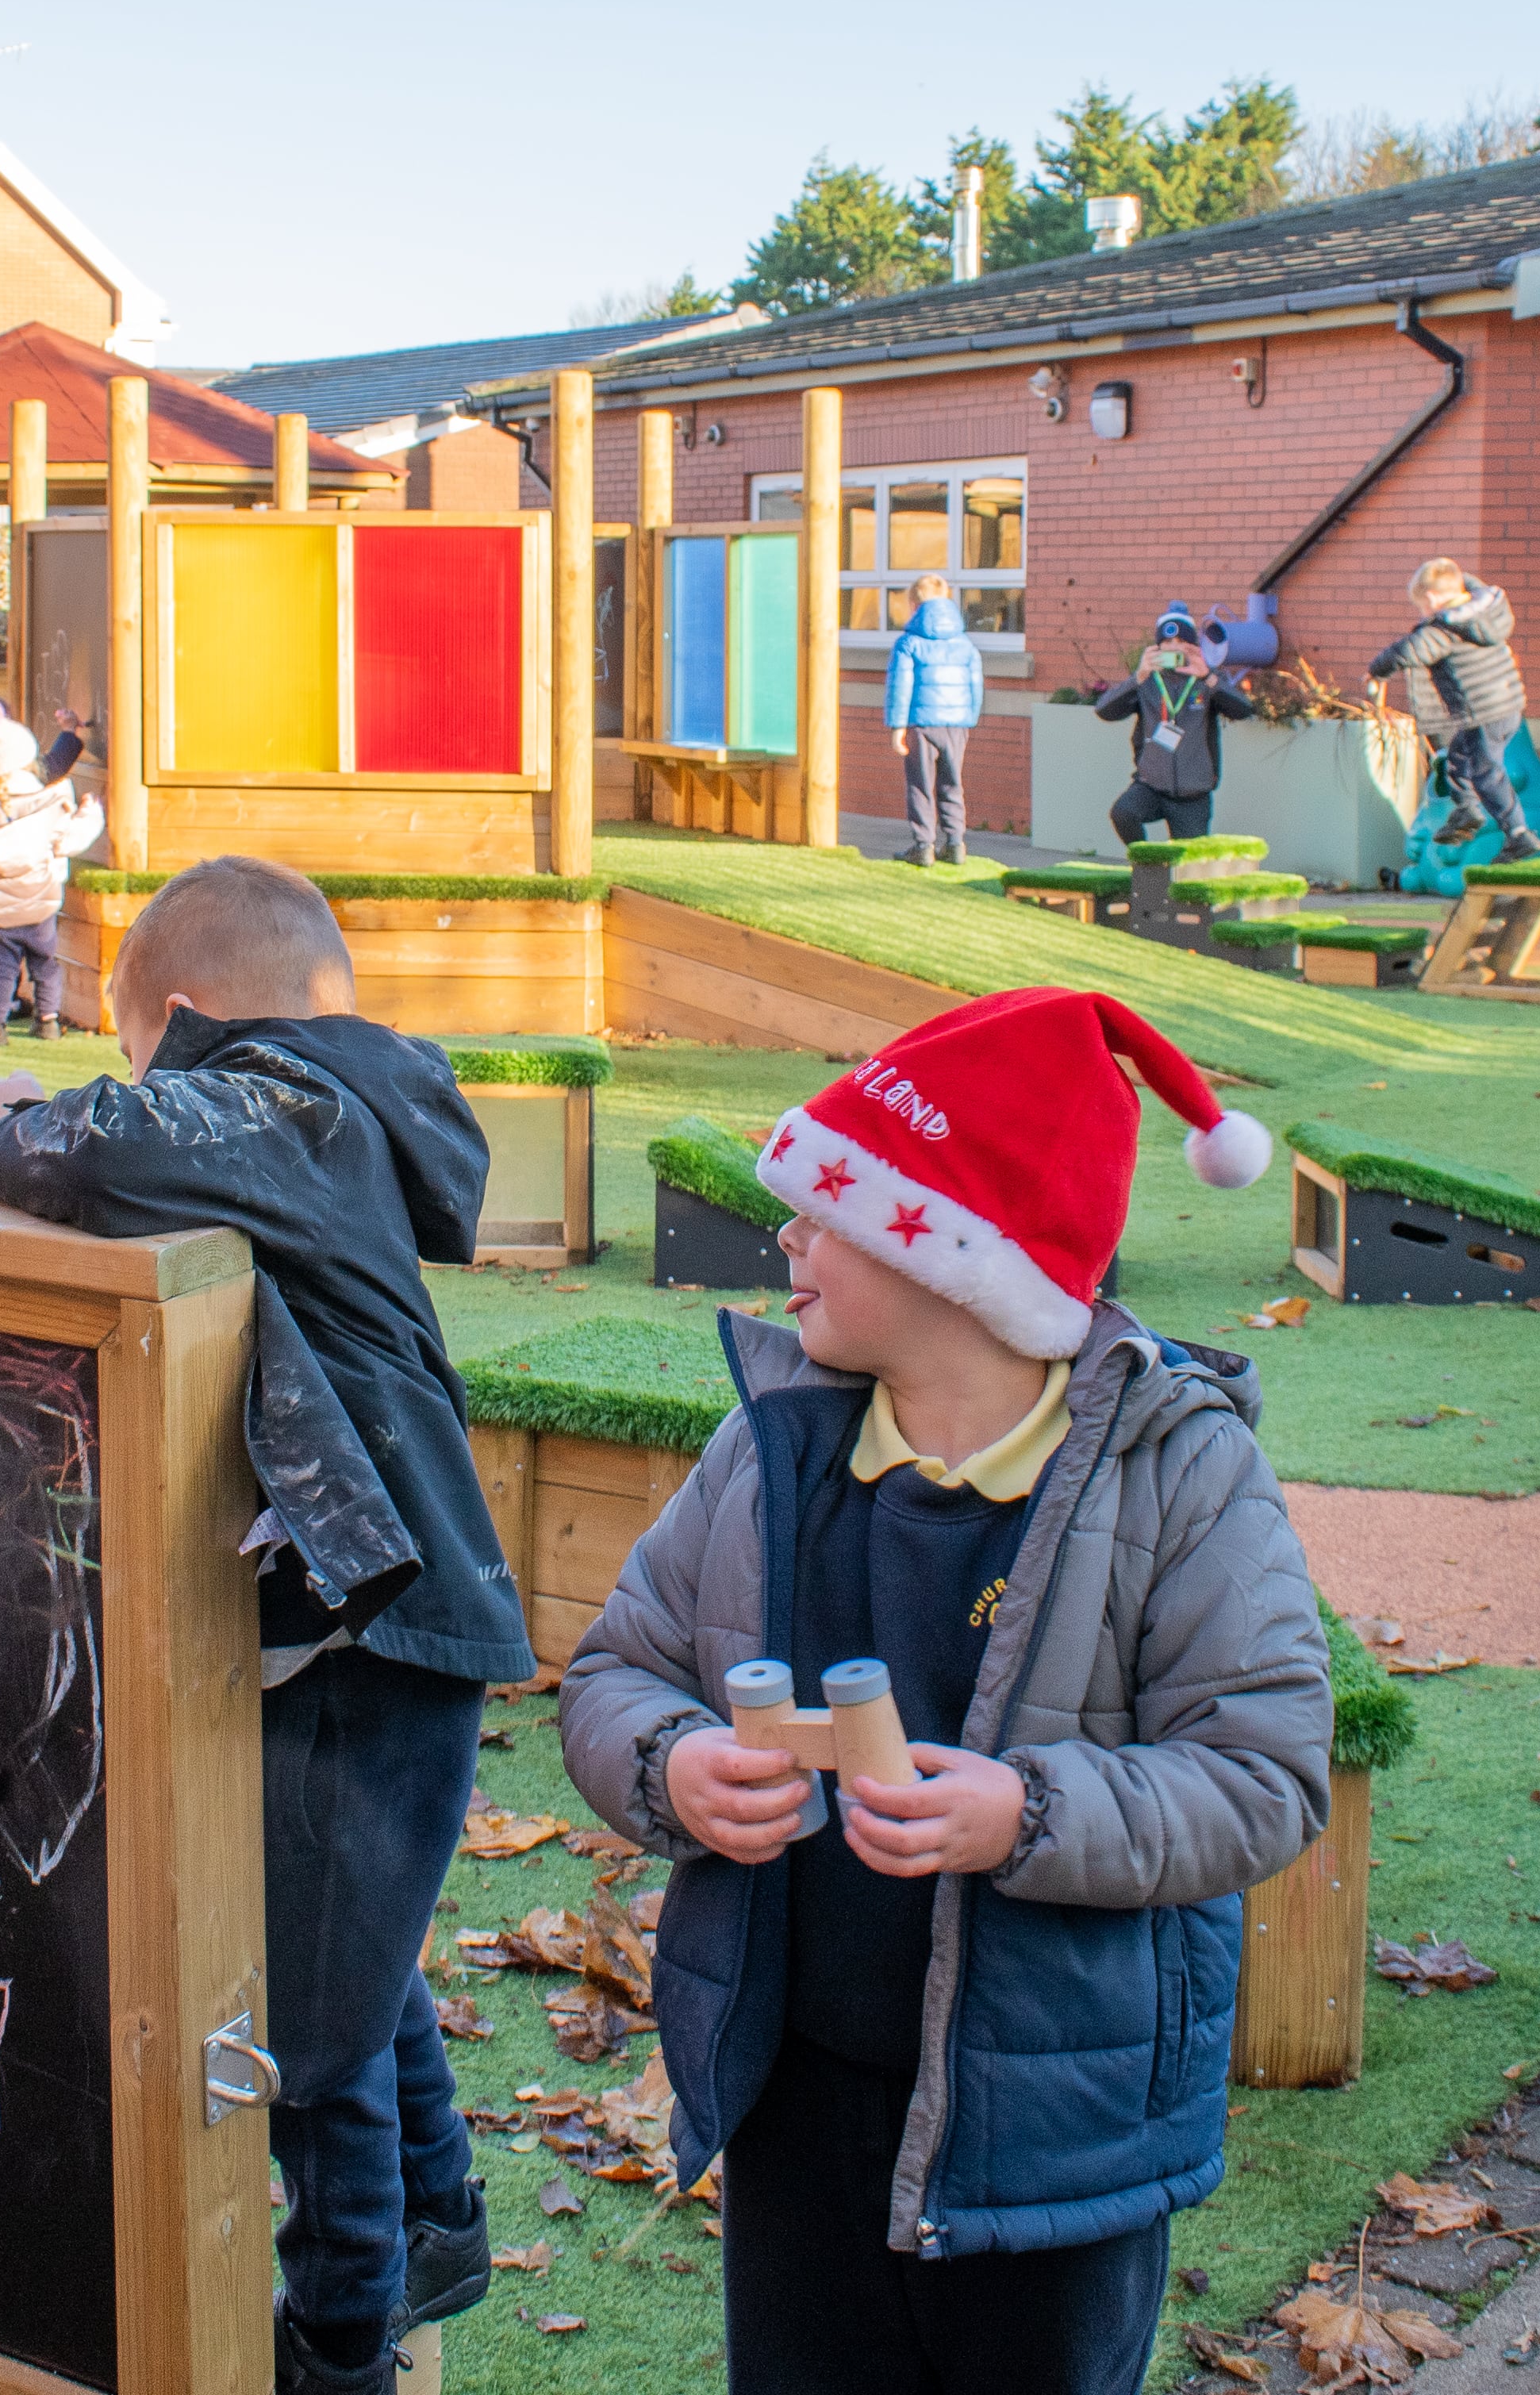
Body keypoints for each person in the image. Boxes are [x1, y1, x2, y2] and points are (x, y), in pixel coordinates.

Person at [556, 988, 1339, 2395]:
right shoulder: (772, 1447)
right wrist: (669, 1763)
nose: (786, 1237)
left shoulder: (1179, 1471)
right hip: (799, 2093)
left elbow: (1262, 1773)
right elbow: (621, 1664)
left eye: (824, 1210)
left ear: (951, 1256)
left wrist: (1026, 1813)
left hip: (1050, 2129)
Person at [0, 861, 532, 2395]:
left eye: (140, 1050)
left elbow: (84, 1152)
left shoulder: (291, 1104)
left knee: (307, 2029)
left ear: (192, 1020)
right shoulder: (335, 1107)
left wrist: (2, 1114)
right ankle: (440, 2219)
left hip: (371, 1631)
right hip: (370, 1615)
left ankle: (339, 2338)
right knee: (348, 1947)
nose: (138, 1081)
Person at [0, 719, 104, 1044]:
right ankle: (47, 1021)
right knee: (45, 963)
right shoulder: (48, 804)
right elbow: (72, 839)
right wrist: (92, 813)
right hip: (40, 904)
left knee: (2, 968)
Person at [1369, 559, 1540, 863]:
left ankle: (1519, 834)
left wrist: (1376, 670)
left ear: (1432, 597)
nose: (1423, 612)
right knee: (1459, 755)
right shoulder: (1484, 608)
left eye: (1422, 605)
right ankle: (1467, 810)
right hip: (1507, 707)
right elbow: (1469, 583)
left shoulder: (1446, 628)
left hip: (1483, 712)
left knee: (1487, 774)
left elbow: (1408, 651)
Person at [1089, 606, 1252, 846]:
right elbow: (1104, 711)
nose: (1174, 648)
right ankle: (1149, 864)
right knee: (1123, 813)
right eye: (1167, 642)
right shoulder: (1147, 681)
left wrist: (1208, 677)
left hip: (1193, 795)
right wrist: (1138, 677)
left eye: (1181, 641)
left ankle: (1171, 867)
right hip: (1151, 786)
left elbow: (1244, 710)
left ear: (1193, 646)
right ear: (1157, 647)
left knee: (1188, 864)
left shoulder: (1207, 680)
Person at [882, 571, 985, 866]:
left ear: (914, 605)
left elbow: (900, 687)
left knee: (920, 784)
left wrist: (898, 727)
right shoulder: (965, 643)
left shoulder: (909, 643)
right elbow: (975, 686)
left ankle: (924, 845)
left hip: (921, 722)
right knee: (952, 783)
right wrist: (969, 718)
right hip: (956, 724)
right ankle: (955, 843)